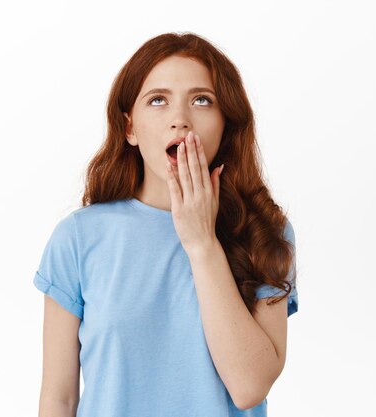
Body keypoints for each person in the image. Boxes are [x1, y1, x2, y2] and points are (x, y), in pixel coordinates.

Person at [33, 31, 299, 417]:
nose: (180, 120)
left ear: (226, 124)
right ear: (130, 129)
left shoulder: (264, 232)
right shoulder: (78, 238)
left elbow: (249, 387)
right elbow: (59, 399)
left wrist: (202, 242)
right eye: (158, 100)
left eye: (202, 100)